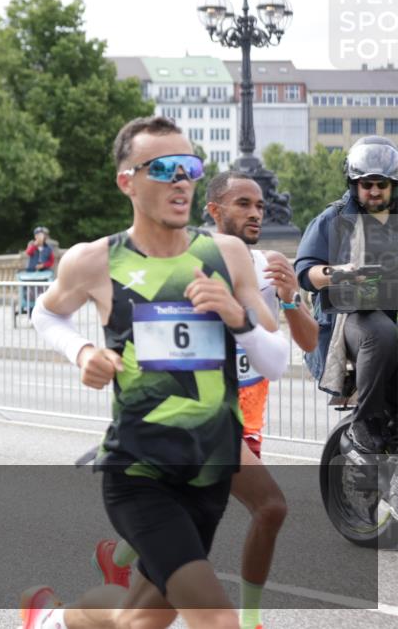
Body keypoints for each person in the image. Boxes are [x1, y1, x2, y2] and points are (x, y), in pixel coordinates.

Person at [20, 116, 289, 629]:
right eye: (162, 169)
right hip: (138, 470)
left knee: (137, 619)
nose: (180, 180)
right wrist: (81, 352)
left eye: (188, 167)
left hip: (208, 471)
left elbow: (275, 359)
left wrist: (238, 317)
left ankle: (50, 621)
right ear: (128, 181)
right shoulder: (93, 261)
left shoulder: (227, 256)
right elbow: (46, 313)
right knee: (216, 620)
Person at [92, 170, 318, 629]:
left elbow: (307, 345)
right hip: (200, 422)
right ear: (214, 210)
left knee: (156, 586)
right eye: (243, 205)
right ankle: (250, 619)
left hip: (247, 415)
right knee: (271, 506)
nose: (256, 213)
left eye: (259, 206)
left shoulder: (268, 265)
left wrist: (292, 299)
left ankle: (100, 575)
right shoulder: (185, 260)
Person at [294, 136, 398, 456]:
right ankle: (364, 422)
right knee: (381, 333)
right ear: (354, 185)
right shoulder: (334, 219)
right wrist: (339, 273)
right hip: (349, 318)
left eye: (382, 184)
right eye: (367, 184)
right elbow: (305, 272)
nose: (375, 191)